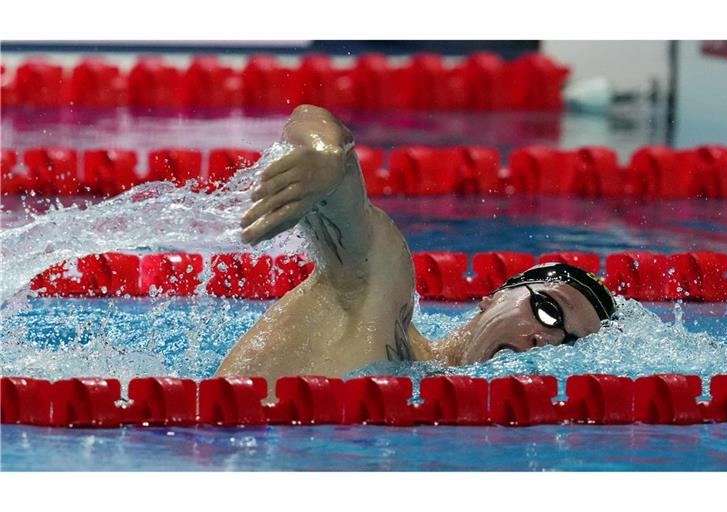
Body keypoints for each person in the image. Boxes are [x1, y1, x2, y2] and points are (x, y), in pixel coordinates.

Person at [216, 105, 616, 383]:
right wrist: (326, 156)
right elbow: (312, 120)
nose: (544, 342)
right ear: (495, 296)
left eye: (569, 344)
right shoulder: (378, 300)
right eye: (547, 313)